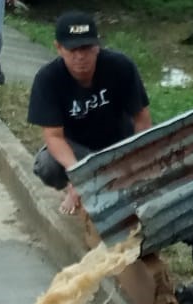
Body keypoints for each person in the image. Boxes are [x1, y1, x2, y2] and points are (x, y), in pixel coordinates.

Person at [27, 11, 152, 215]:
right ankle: (73, 188)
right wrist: (78, 177)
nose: (80, 56)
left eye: (86, 48)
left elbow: (142, 119)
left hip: (119, 146)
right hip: (78, 152)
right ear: (59, 48)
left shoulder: (121, 66)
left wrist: (137, 159)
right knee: (47, 165)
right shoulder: (47, 79)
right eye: (72, 49)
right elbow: (53, 136)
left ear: (97, 46)